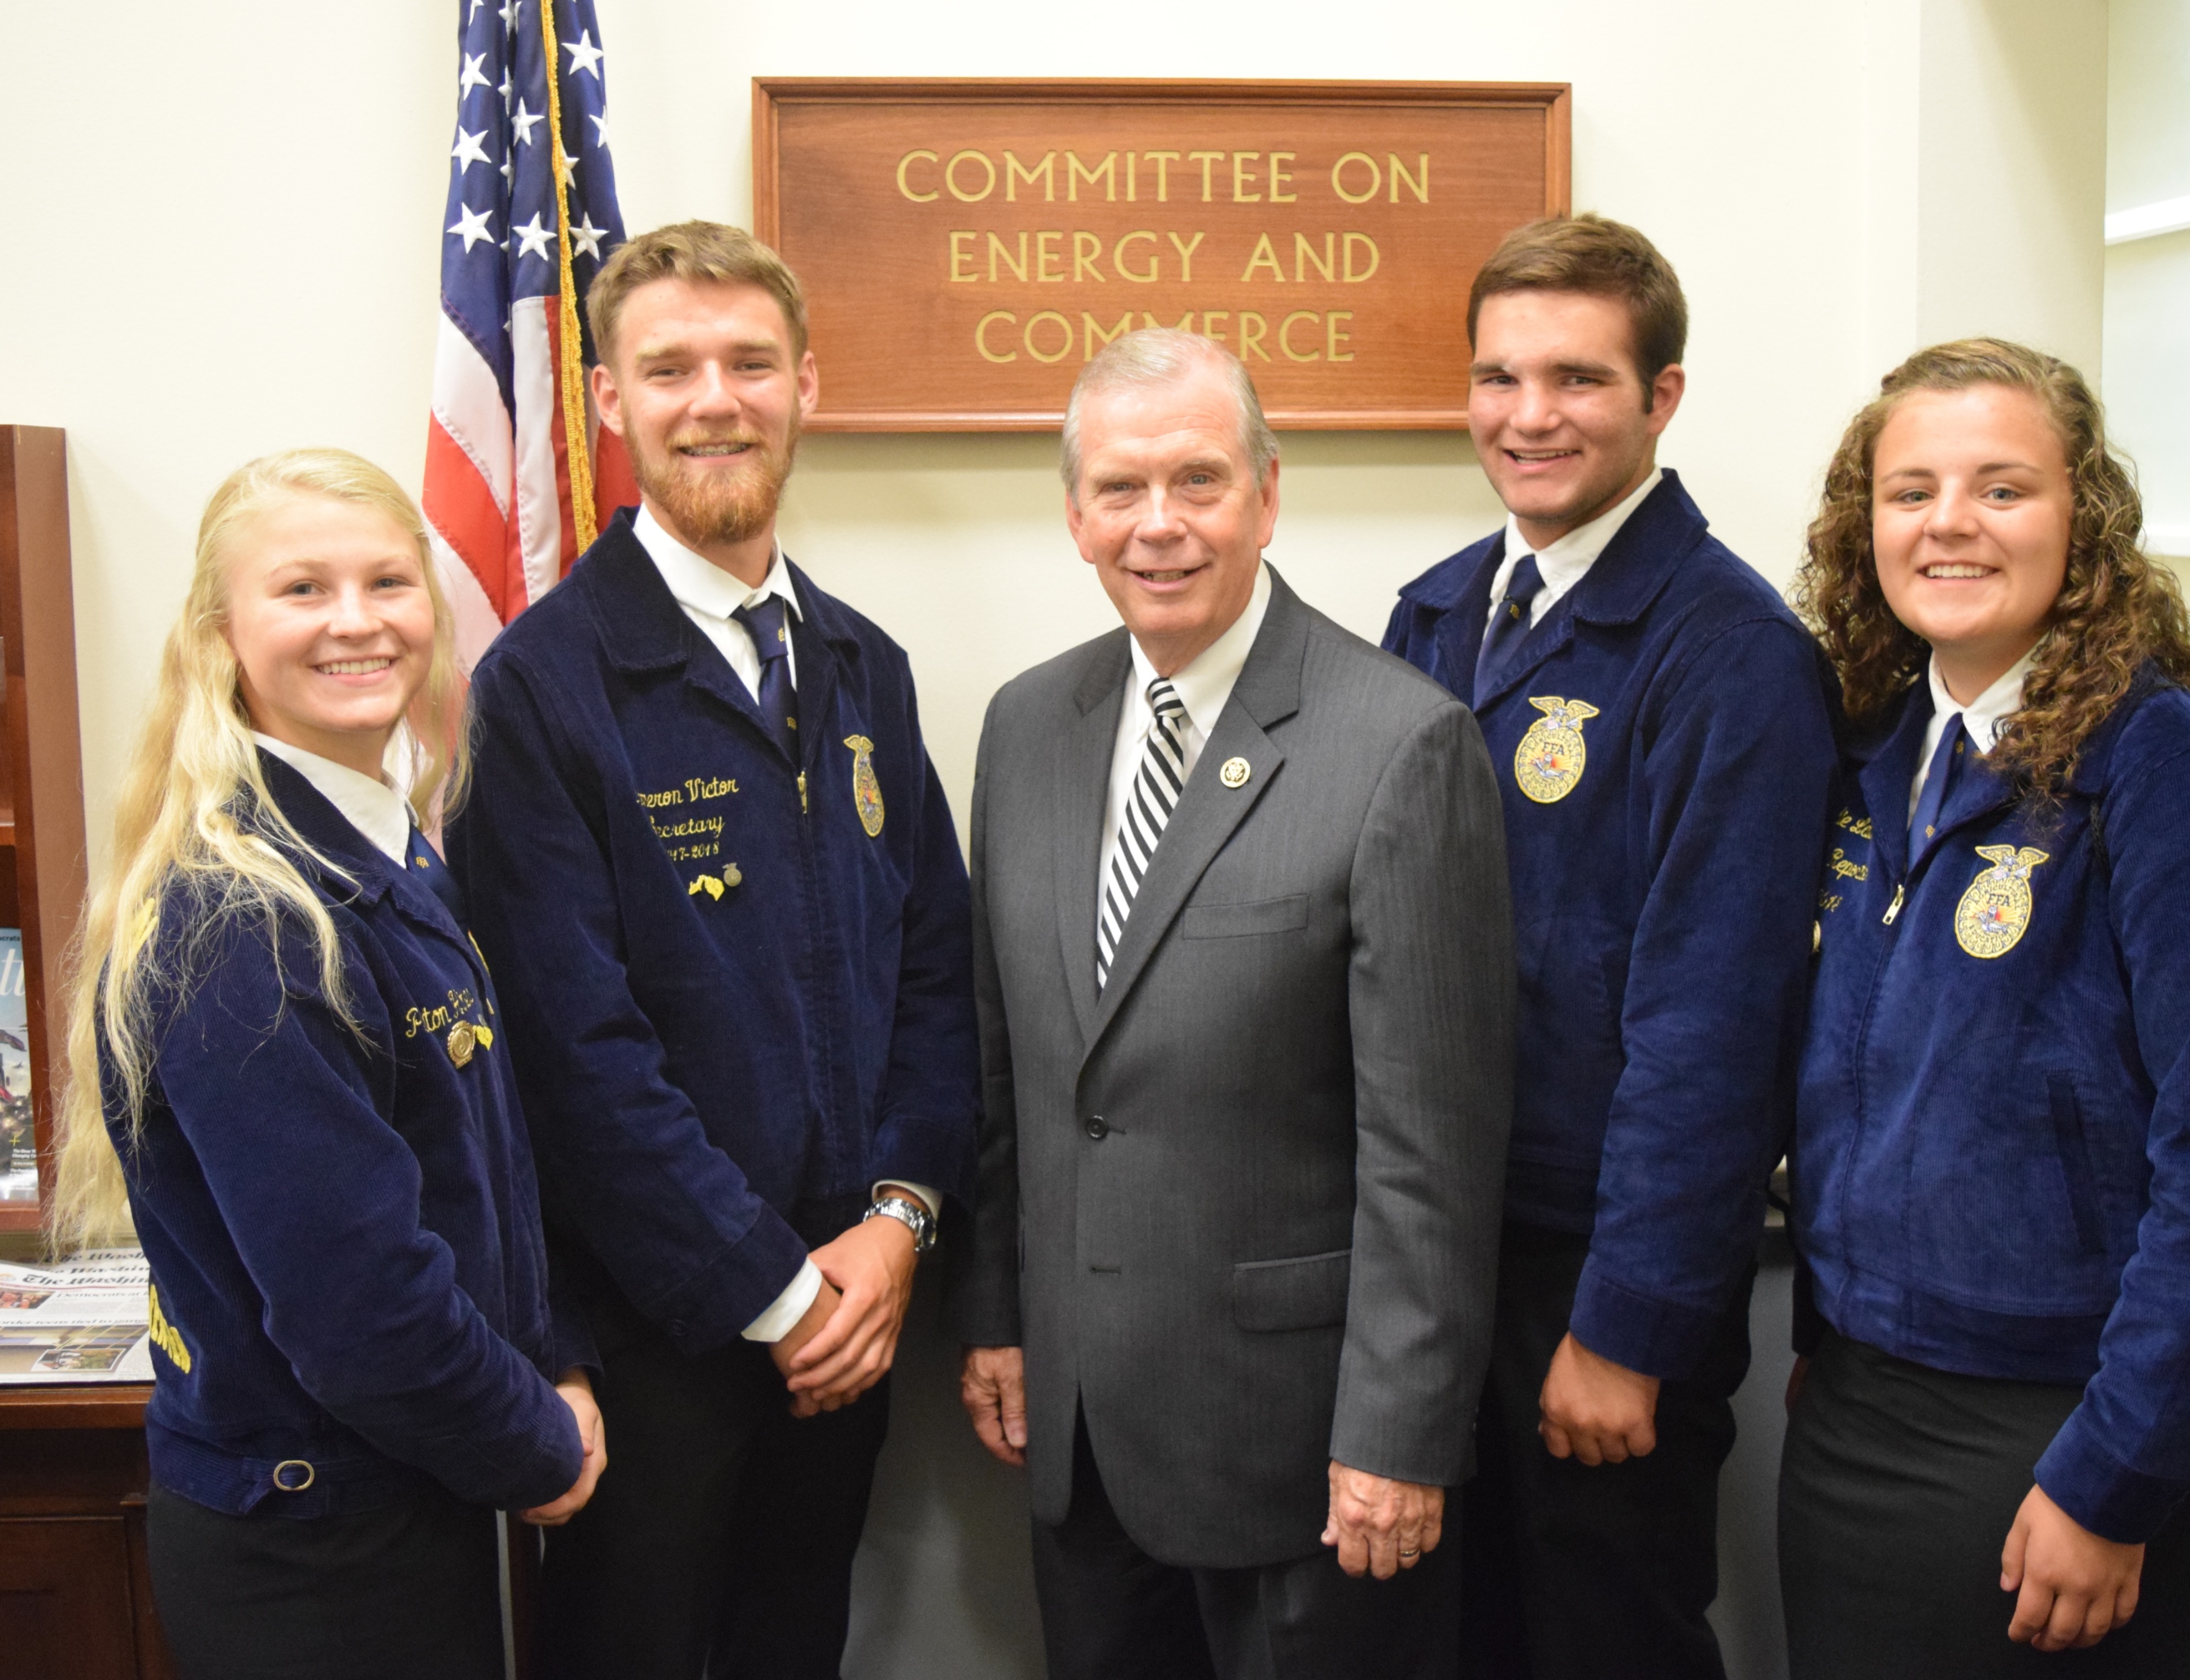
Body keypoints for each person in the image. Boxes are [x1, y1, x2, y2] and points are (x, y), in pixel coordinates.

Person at [447, 222, 980, 1679]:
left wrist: (899, 1222)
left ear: (807, 383)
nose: (714, 399)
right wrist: (781, 1290)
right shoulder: (541, 693)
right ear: (610, 403)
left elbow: (936, 972)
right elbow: (574, 1063)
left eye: (749, 362)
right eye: (669, 367)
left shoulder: (864, 664)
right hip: (660, 1340)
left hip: (854, 1315)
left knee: (792, 1648)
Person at [953, 328, 1515, 1680]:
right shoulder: (1026, 727)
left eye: (1199, 482)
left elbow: (1431, 1151)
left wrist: (1396, 1433)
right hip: (1079, 1437)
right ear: (1075, 517)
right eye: (1120, 491)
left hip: (1302, 1455)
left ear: (1267, 494)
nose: (1160, 526)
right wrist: (1001, 1318)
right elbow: (1006, 1069)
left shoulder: (1399, 744)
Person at [1779, 338, 2190, 1677]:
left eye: (2000, 487)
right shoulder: (1874, 752)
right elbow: (1856, 1079)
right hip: (1866, 1394)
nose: (1948, 524)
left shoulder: (2176, 790)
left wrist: (2117, 1476)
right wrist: (1830, 1328)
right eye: (1908, 491)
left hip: (2068, 1420)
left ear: (2083, 521)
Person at [50, 450, 605, 1680]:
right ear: (219, 635)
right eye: (303, 589)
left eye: (388, 582)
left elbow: (483, 1178)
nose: (356, 622)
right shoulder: (240, 915)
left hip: (404, 1494)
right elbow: (357, 1310)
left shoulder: (385, 853)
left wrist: (554, 1363)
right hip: (316, 1548)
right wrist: (538, 1443)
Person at [1382, 215, 1834, 1677]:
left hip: (1594, 1274)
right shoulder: (1439, 610)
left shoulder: (1731, 657)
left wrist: (1628, 1326)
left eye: (1575, 380)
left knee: (1602, 1636)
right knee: (1460, 1634)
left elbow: (1714, 1025)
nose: (1528, 418)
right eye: (1497, 378)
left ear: (1663, 397)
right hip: (1445, 1251)